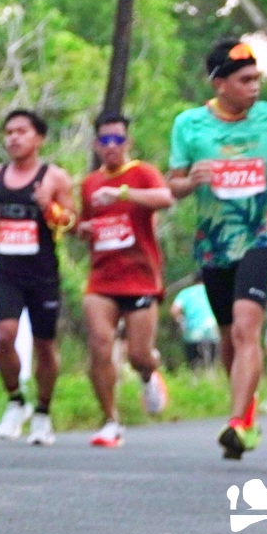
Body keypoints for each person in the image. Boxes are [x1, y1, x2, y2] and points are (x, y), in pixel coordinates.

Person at [169, 40, 267, 458]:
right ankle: (246, 415)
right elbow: (172, 185)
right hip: (214, 243)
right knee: (229, 337)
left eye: (256, 78)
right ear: (220, 84)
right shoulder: (189, 125)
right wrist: (190, 181)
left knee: (248, 327)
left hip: (263, 234)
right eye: (245, 80)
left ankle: (235, 423)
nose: (254, 87)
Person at [0, 109, 77, 445]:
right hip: (7, 270)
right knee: (4, 336)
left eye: (22, 131)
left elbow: (71, 223)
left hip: (42, 272)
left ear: (39, 138)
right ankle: (16, 401)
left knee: (44, 344)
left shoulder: (55, 178)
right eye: (9, 132)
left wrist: (50, 207)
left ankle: (43, 412)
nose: (14, 138)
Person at [77, 113, 175, 447]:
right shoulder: (90, 183)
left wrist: (122, 194)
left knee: (137, 355)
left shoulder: (142, 173)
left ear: (127, 142)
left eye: (117, 139)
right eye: (104, 140)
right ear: (96, 145)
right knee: (100, 345)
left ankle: (149, 373)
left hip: (140, 279)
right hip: (102, 279)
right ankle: (110, 421)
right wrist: (83, 229)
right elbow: (85, 224)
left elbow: (165, 198)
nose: (111, 146)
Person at [172, 281, 221, 370]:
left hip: (192, 331)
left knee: (194, 363)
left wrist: (181, 321)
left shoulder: (186, 292)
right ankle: (211, 374)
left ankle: (195, 375)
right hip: (212, 328)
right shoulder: (215, 290)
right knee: (212, 362)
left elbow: (174, 310)